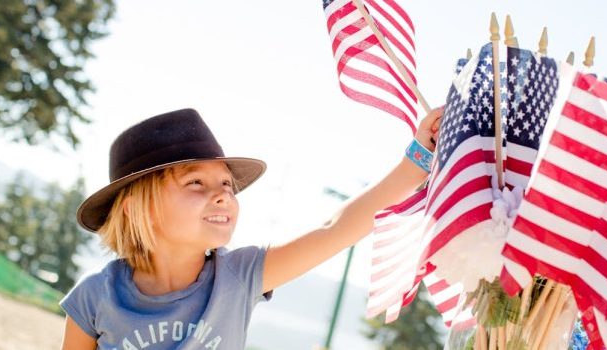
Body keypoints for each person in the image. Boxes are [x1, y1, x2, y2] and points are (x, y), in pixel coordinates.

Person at [60, 107, 443, 349]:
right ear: (133, 210)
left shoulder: (239, 277)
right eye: (196, 183)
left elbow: (334, 228)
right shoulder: (95, 296)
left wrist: (419, 158)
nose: (222, 195)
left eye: (227, 184)